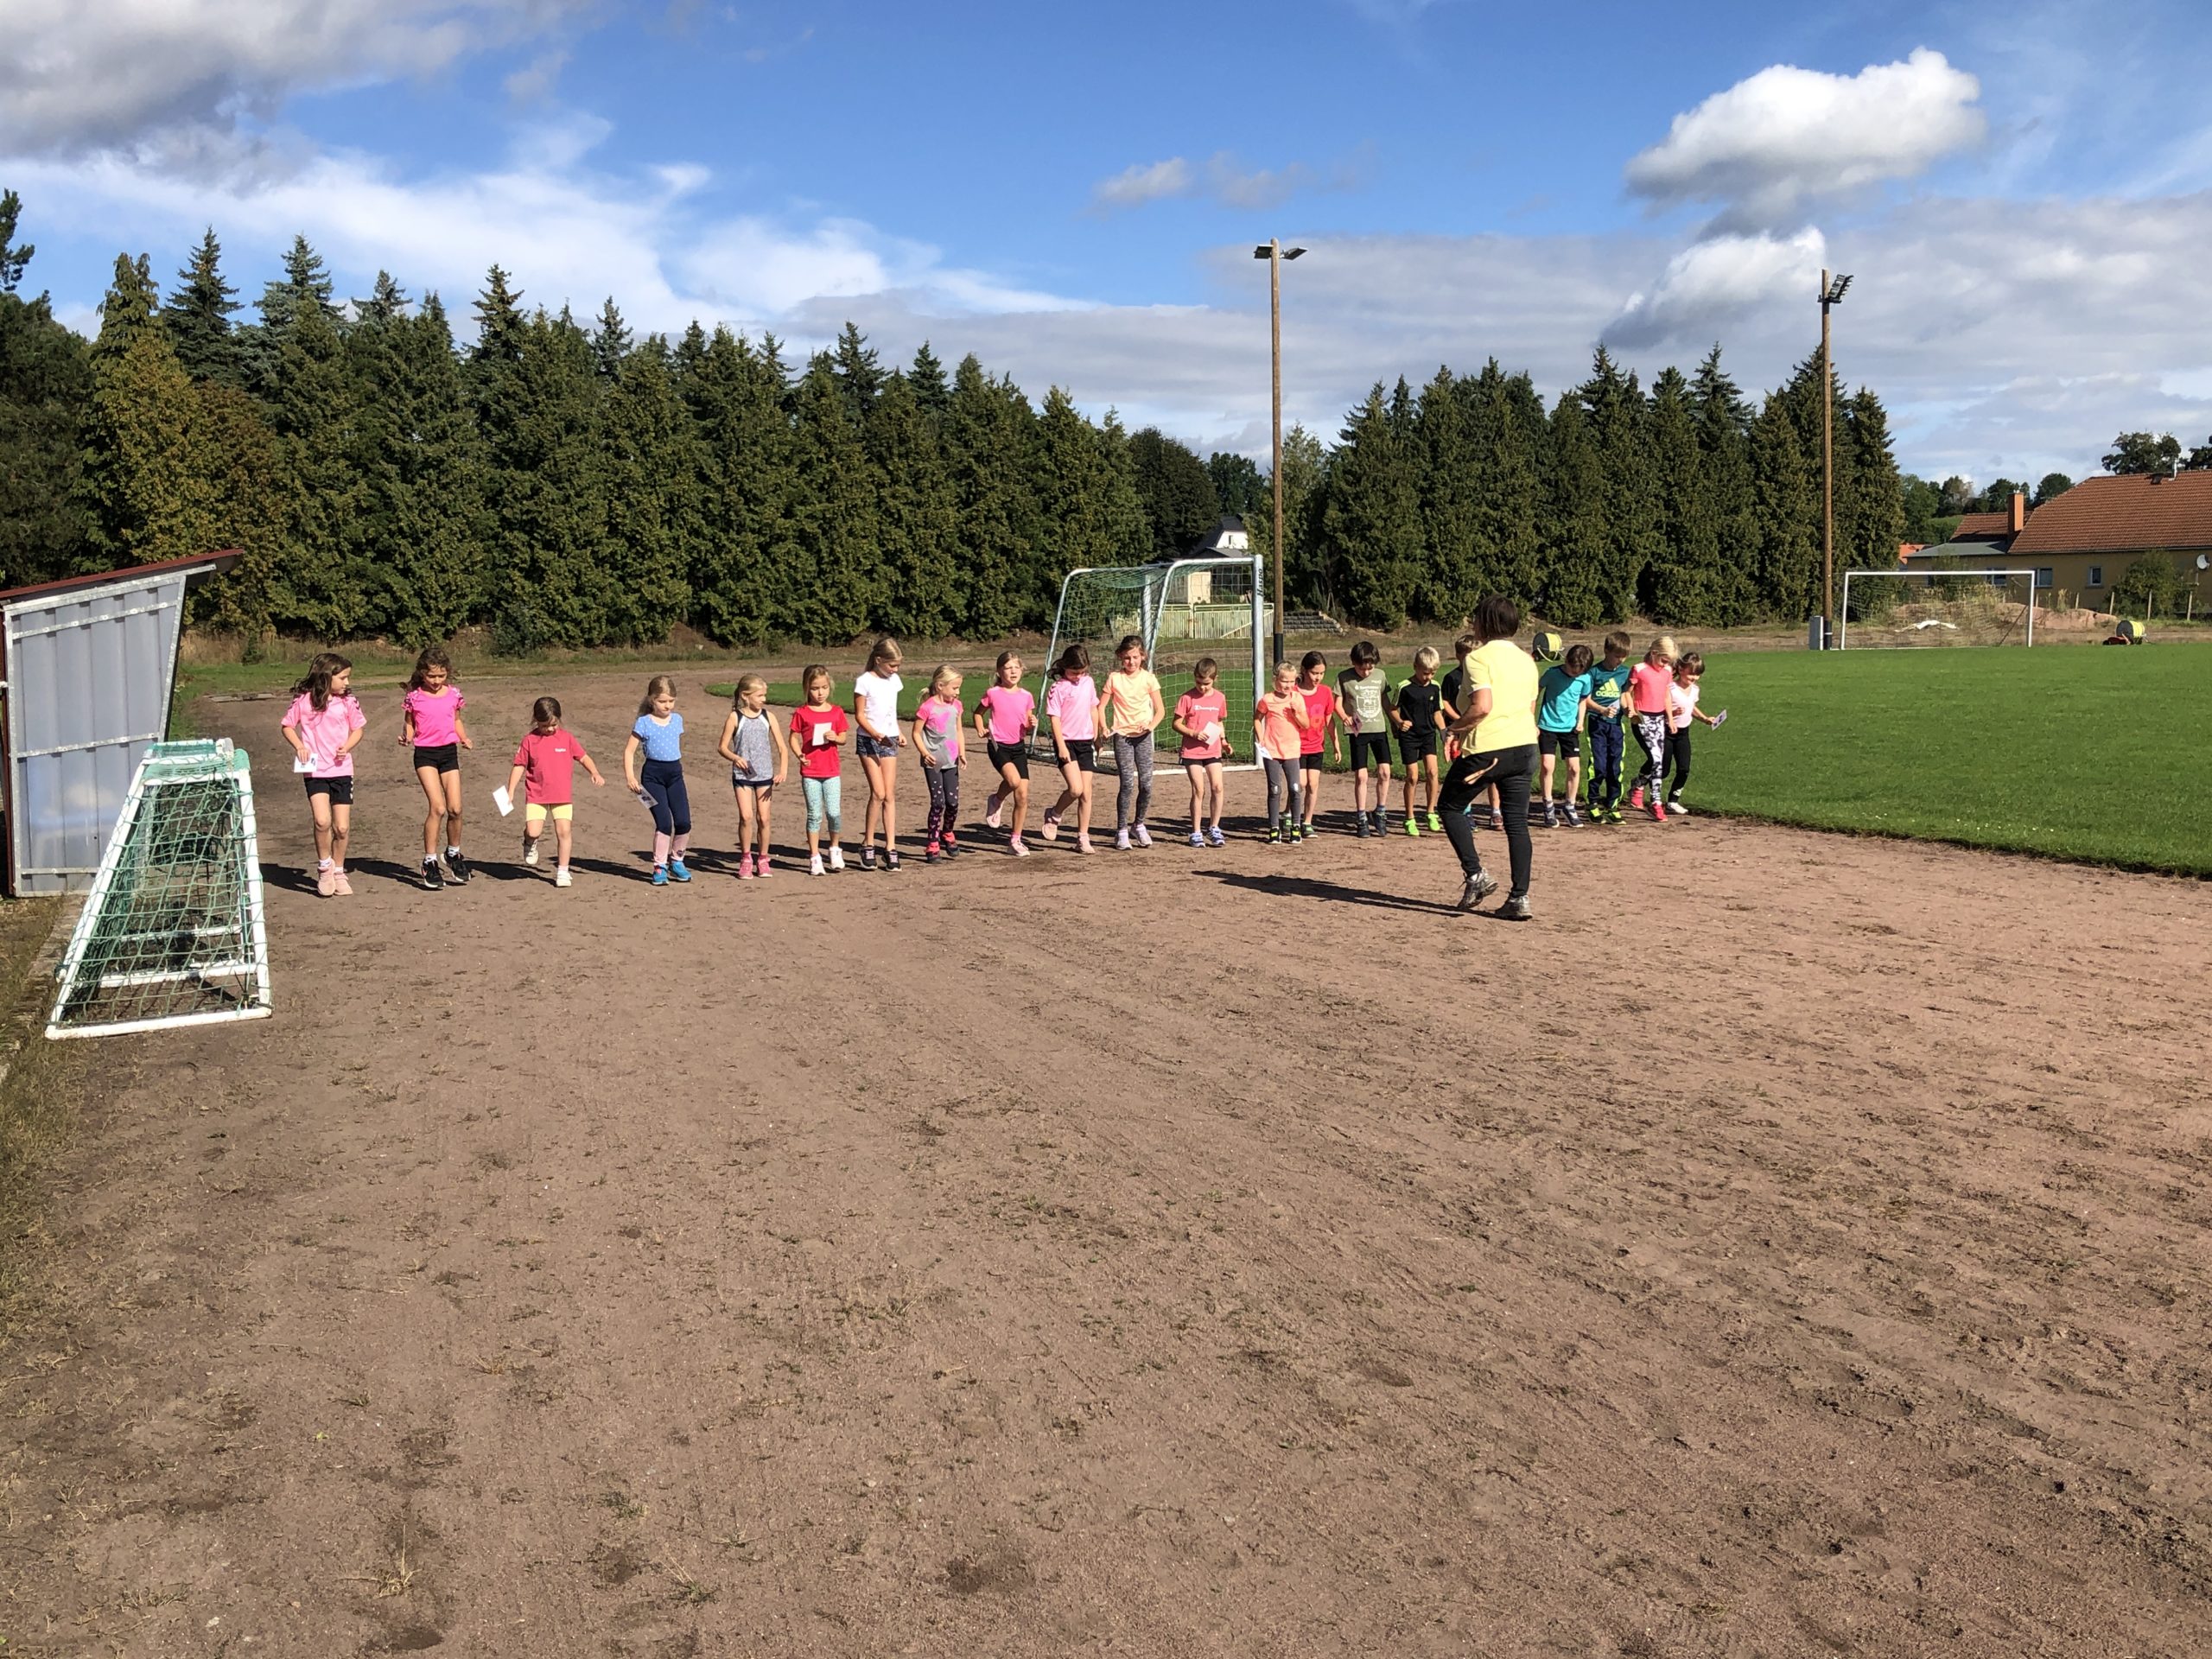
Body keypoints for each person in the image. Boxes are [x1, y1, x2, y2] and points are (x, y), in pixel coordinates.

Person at [1440, 595, 1539, 920]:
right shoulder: (1527, 660)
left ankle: (1476, 875)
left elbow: (1482, 706)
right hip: (1525, 747)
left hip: (1488, 749)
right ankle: (1519, 898)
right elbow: (1528, 707)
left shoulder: (1478, 658)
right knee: (1517, 823)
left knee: (1450, 807)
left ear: (1484, 623)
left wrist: (1453, 729)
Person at [279, 652, 364, 898]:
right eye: (343, 678)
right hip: (315, 771)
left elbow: (358, 729)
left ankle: (339, 870)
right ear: (327, 676)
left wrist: (347, 746)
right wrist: (299, 746)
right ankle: (325, 867)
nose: (347, 683)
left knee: (342, 827)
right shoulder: (303, 701)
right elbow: (287, 726)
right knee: (322, 821)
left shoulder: (348, 701)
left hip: (342, 770)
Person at [508, 696, 606, 887]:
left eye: (553, 724)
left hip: (562, 795)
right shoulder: (529, 741)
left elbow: (583, 757)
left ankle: (563, 871)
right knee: (534, 831)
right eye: (545, 726)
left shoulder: (567, 738)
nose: (550, 729)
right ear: (536, 721)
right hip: (536, 795)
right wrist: (510, 790)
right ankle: (529, 841)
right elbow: (519, 766)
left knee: (564, 832)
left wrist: (594, 772)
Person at [399, 644, 473, 889]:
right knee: (438, 807)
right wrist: (407, 737)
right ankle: (429, 861)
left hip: (449, 753)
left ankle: (453, 854)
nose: (436, 680)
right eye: (431, 676)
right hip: (426, 755)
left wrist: (464, 738)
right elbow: (410, 723)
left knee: (456, 808)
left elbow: (456, 720)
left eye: (441, 675)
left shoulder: (453, 694)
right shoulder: (415, 697)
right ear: (422, 673)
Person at [624, 674, 692, 885]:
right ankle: (659, 866)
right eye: (662, 701)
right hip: (652, 778)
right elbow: (629, 751)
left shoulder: (677, 720)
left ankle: (677, 861)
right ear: (652, 700)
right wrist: (630, 777)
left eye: (671, 701)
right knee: (664, 822)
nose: (667, 705)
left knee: (683, 821)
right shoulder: (643, 723)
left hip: (675, 776)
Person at [717, 674, 786, 880]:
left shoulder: (768, 717)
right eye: (760, 695)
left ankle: (763, 859)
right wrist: (735, 758)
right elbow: (722, 747)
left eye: (764, 695)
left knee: (764, 818)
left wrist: (782, 771)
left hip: (764, 775)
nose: (764, 699)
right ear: (745, 696)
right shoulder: (735, 718)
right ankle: (746, 858)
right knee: (746, 816)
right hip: (743, 775)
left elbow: (782, 747)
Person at [1100, 634, 1165, 850]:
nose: (1131, 662)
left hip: (1143, 737)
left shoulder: (1149, 679)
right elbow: (1101, 707)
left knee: (1146, 784)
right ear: (1121, 657)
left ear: (1143, 656)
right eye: (1127, 658)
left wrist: (1150, 726)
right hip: (1122, 737)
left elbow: (1160, 710)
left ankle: (1139, 824)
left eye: (1135, 657)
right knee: (1127, 783)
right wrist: (1104, 727)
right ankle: (1121, 830)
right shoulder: (1114, 678)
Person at [787, 665, 850, 876]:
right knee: (814, 814)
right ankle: (814, 856)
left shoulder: (836, 711)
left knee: (834, 813)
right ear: (807, 688)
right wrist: (800, 755)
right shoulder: (802, 713)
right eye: (815, 688)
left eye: (824, 687)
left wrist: (836, 737)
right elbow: (793, 737)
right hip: (811, 772)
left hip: (831, 771)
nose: (820, 693)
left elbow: (843, 737)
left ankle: (835, 848)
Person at [1040, 644, 1100, 854]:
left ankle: (1083, 837)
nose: (1078, 676)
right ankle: (1054, 814)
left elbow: (1093, 708)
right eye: (1075, 672)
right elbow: (1054, 719)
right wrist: (1061, 746)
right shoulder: (1058, 688)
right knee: (1076, 789)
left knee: (1086, 793)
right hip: (1066, 742)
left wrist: (1097, 734)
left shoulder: (1088, 682)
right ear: (1065, 667)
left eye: (1082, 671)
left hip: (1085, 742)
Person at [976, 652, 1036, 856]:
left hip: (1018, 747)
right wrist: (980, 728)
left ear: (1022, 670)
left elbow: (1026, 723)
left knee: (1023, 795)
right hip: (998, 745)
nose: (1013, 671)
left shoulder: (1026, 696)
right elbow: (978, 713)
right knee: (1014, 781)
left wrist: (1031, 723)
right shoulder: (993, 693)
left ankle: (1015, 840)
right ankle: (997, 799)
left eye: (1016, 667)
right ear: (999, 671)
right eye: (1008, 668)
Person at [853, 636, 906, 872]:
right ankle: (868, 843)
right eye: (892, 665)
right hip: (869, 739)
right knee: (878, 792)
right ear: (878, 660)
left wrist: (898, 732)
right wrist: (874, 734)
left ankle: (890, 846)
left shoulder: (894, 681)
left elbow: (891, 712)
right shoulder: (864, 681)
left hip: (889, 738)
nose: (895, 670)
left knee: (889, 795)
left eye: (897, 666)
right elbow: (859, 715)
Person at [1440, 632, 1498, 830]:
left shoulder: (1482, 675)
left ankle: (1496, 810)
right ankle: (1465, 811)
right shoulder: (1452, 677)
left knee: (1490, 768)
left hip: (1481, 728)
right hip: (1460, 730)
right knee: (1464, 770)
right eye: (1468, 655)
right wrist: (1460, 720)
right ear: (1459, 656)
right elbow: (1444, 702)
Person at [1173, 658, 1231, 847]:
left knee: (1217, 787)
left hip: (1212, 749)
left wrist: (1224, 741)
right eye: (1199, 683)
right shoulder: (1187, 698)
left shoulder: (1220, 698)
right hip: (1192, 751)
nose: (1202, 687)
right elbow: (1176, 723)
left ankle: (1214, 828)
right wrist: (1193, 733)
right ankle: (1196, 832)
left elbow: (1219, 721)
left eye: (1206, 684)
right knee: (1199, 790)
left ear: (1215, 679)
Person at [1338, 641, 1394, 837]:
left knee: (1385, 772)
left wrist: (1394, 721)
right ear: (1354, 663)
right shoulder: (1344, 677)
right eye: (1362, 668)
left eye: (1370, 668)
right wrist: (1344, 717)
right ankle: (1361, 815)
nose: (1367, 672)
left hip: (1378, 729)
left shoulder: (1380, 675)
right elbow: (1337, 702)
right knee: (1361, 776)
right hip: (1358, 731)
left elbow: (1385, 700)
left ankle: (1380, 811)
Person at [1535, 643, 1594, 828]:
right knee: (1547, 766)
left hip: (1570, 729)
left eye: (1578, 672)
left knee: (1574, 768)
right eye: (1571, 669)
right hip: (1548, 726)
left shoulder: (1585, 679)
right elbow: (1536, 692)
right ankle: (1548, 805)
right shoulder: (1552, 674)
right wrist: (1531, 719)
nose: (1573, 674)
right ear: (1566, 661)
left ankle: (1570, 806)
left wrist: (1580, 721)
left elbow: (1583, 700)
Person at [912, 665, 967, 863]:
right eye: (954, 688)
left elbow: (959, 730)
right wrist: (925, 753)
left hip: (951, 760)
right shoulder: (927, 707)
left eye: (959, 688)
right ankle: (932, 842)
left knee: (952, 802)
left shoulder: (957, 706)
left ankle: (948, 832)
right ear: (940, 686)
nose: (957, 692)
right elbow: (916, 733)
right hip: (934, 762)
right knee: (938, 802)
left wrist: (962, 752)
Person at [1255, 660, 1313, 844]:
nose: (1288, 685)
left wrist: (1296, 714)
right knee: (1275, 789)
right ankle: (1274, 828)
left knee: (1295, 788)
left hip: (1292, 750)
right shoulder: (1267, 699)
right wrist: (1261, 738)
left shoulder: (1297, 698)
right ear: (1275, 680)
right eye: (1284, 681)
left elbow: (1306, 724)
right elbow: (1257, 719)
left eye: (1291, 681)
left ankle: (1296, 826)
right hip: (1272, 750)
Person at [1391, 646, 1446, 836]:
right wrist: (1399, 722)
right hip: (1410, 737)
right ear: (1415, 667)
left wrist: (1444, 732)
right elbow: (1392, 708)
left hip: (1428, 735)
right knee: (1412, 777)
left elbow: (1437, 712)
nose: (1428, 677)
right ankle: (1409, 817)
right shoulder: (1404, 687)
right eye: (1425, 673)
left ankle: (1431, 812)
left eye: (1432, 673)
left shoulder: (1435, 687)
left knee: (1433, 772)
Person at [1582, 631, 1634, 824]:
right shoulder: (1594, 673)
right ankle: (1592, 803)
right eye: (1616, 656)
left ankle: (1613, 805)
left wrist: (1629, 710)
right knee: (1598, 766)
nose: (1620, 660)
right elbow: (1585, 699)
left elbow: (1625, 695)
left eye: (1623, 657)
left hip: (1616, 726)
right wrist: (1601, 710)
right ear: (1606, 651)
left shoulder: (1625, 673)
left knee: (1615, 767)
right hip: (1597, 724)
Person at [1626, 634, 1679, 824]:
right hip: (1642, 718)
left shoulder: (1667, 671)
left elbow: (1666, 695)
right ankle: (1654, 801)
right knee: (1656, 759)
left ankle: (1642, 787)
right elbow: (1627, 692)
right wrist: (1631, 710)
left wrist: (1670, 718)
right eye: (1664, 660)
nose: (1666, 664)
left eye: (1668, 662)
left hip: (1658, 719)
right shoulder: (1639, 669)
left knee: (1659, 761)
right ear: (1654, 653)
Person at [1663, 652, 1724, 815]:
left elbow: (1691, 707)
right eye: (1691, 673)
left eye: (1697, 675)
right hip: (1667, 732)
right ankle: (1642, 784)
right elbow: (1662, 710)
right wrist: (1672, 713)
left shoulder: (1695, 690)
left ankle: (1673, 801)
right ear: (1681, 669)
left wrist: (1705, 718)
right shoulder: (1671, 688)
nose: (1694, 678)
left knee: (1684, 768)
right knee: (1663, 770)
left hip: (1683, 734)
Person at [1294, 651, 1338, 840]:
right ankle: (1289, 813)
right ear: (1304, 671)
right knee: (1300, 784)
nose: (1318, 678)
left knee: (1313, 784)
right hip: (1296, 746)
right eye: (1314, 673)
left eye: (1321, 673)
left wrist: (1335, 743)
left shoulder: (1325, 692)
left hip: (1316, 746)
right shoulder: (1293, 692)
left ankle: (1307, 822)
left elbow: (1329, 720)